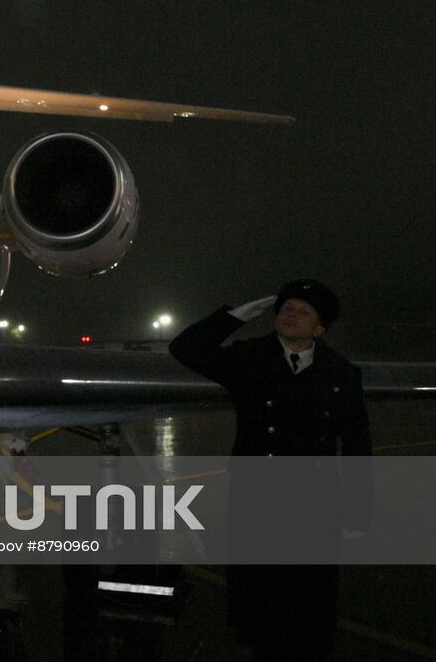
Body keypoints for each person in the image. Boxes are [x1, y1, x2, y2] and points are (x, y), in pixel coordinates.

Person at [168, 278, 370, 661]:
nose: (291, 314)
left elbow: (358, 445)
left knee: (310, 614)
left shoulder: (341, 372)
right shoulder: (250, 357)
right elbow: (185, 348)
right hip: (257, 503)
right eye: (286, 307)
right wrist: (237, 314)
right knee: (262, 614)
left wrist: (358, 511)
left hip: (316, 508)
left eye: (303, 311)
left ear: (320, 328)